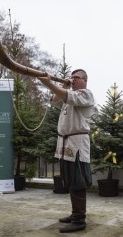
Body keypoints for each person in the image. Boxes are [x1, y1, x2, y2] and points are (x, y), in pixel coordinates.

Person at [38, 69, 95, 233]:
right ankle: (75, 213)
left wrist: (49, 83)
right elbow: (55, 101)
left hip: (77, 143)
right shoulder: (67, 97)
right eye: (72, 77)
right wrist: (62, 85)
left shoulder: (86, 94)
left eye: (76, 77)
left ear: (84, 80)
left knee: (78, 181)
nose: (73, 80)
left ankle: (79, 219)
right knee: (69, 179)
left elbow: (68, 96)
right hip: (65, 143)